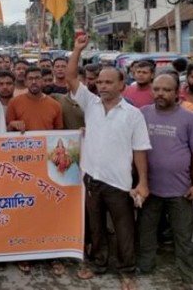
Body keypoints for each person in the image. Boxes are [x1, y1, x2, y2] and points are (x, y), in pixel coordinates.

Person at [67, 36, 151, 290]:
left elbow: (140, 151)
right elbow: (71, 78)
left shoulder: (134, 115)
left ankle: (126, 271)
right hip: (92, 178)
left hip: (120, 183)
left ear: (122, 84)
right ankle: (99, 264)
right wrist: (77, 50)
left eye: (108, 82)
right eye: (99, 82)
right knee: (96, 228)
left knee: (124, 230)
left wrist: (143, 183)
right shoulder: (91, 104)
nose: (102, 86)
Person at [137, 73, 193, 288]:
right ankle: (145, 266)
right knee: (146, 231)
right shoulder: (142, 114)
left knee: (185, 236)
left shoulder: (189, 117)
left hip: (181, 190)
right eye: (157, 89)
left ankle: (191, 274)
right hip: (148, 188)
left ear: (177, 92)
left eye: (166, 90)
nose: (160, 93)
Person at [7, 67, 63, 132]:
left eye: (37, 78)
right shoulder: (14, 103)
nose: (34, 82)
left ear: (42, 81)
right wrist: (12, 125)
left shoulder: (55, 105)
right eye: (30, 79)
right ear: (25, 82)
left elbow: (59, 133)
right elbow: (7, 131)